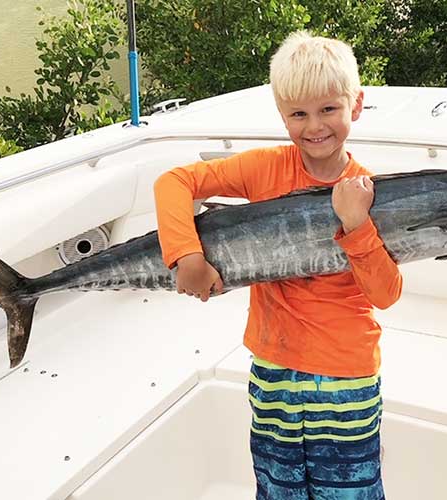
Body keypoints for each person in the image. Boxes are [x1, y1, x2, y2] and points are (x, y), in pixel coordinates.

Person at [154, 30, 402, 500]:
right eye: (298, 114)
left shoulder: (367, 192)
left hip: (346, 378)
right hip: (272, 369)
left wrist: (357, 225)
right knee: (277, 488)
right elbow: (175, 182)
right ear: (282, 115)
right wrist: (186, 254)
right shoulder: (264, 168)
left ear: (356, 104)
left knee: (349, 492)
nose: (315, 127)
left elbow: (386, 294)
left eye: (329, 109)